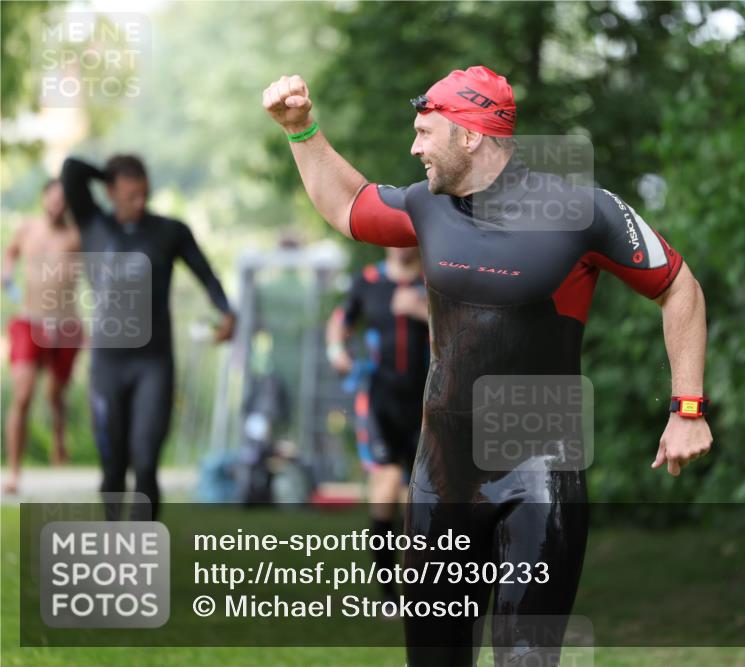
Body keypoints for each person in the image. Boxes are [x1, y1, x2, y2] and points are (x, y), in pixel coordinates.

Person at [263, 65, 711, 665]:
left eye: (426, 132)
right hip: (439, 479)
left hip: (540, 481)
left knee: (525, 659)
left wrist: (687, 408)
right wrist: (301, 130)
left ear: (469, 136)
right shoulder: (428, 207)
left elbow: (678, 286)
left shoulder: (584, 212)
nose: (414, 146)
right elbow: (348, 203)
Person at [60, 154, 236, 520]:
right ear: (110, 192)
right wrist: (106, 173)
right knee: (113, 466)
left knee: (145, 461)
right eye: (129, 195)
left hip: (152, 362)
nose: (139, 203)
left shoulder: (169, 231)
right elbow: (71, 169)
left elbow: (207, 276)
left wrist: (227, 313)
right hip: (108, 363)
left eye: (144, 194)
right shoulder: (92, 223)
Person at [326, 246, 430, 607]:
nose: (400, 243)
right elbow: (339, 322)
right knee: (385, 487)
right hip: (379, 400)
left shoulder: (434, 279)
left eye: (407, 234)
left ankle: (420, 591)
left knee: (419, 498)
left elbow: (463, 328)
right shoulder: (368, 281)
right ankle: (389, 594)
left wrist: (420, 310)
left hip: (428, 402)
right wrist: (336, 352)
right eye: (393, 235)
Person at [2, 180, 82, 494]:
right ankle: (14, 473)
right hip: (29, 321)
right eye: (52, 200)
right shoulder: (27, 229)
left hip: (66, 325)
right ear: (43, 199)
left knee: (55, 395)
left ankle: (59, 437)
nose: (56, 206)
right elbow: (9, 253)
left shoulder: (78, 235)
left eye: (63, 201)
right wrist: (6, 272)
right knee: (22, 395)